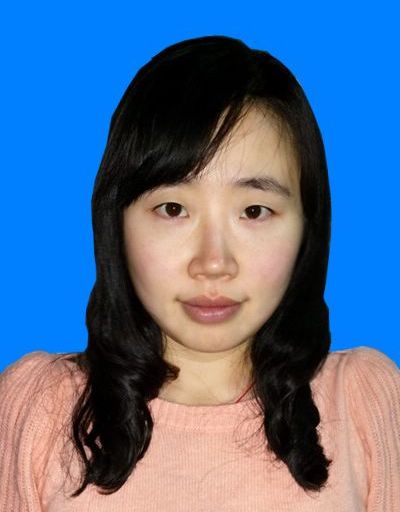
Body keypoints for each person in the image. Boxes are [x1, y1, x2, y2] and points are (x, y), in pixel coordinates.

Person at [0, 35, 399, 511]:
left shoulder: (364, 403)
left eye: (254, 211)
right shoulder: (39, 408)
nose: (213, 262)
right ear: (116, 221)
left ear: (308, 227)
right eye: (173, 208)